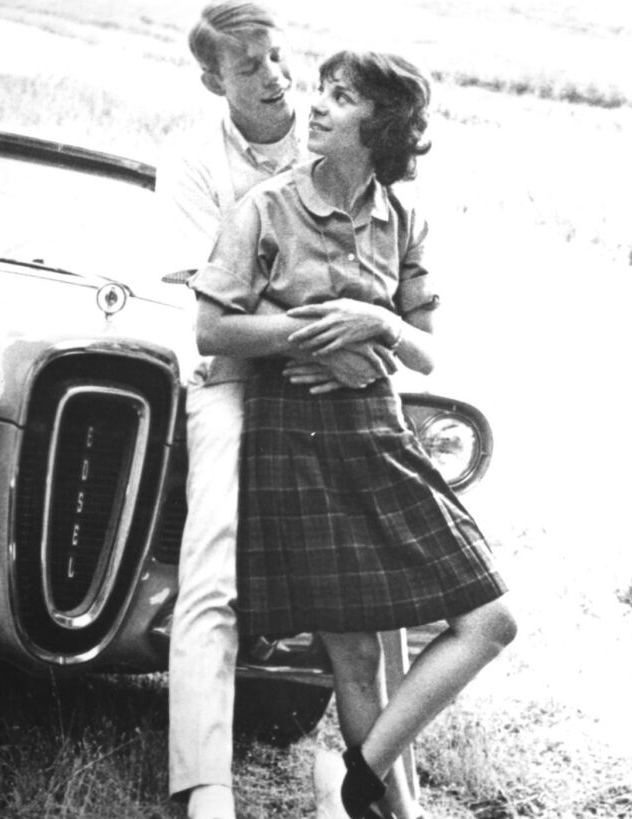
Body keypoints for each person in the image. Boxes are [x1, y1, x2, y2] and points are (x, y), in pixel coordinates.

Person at [191, 50, 517, 819]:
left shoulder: (402, 220)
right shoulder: (265, 209)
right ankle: (391, 813)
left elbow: (427, 349)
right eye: (323, 91)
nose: (319, 105)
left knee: (491, 620)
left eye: (342, 97)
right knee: (357, 657)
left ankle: (357, 773)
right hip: (296, 437)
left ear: (383, 125)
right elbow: (211, 329)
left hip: (377, 430)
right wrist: (310, 341)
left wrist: (374, 324)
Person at [160, 6, 417, 819]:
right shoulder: (191, 161)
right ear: (214, 83)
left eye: (279, 58)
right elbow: (216, 302)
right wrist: (323, 340)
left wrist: (367, 340)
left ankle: (385, 785)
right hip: (235, 377)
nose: (276, 78)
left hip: (339, 383)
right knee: (214, 562)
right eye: (250, 68)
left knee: (388, 578)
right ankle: (205, 787)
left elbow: (384, 278)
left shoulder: (333, 130)